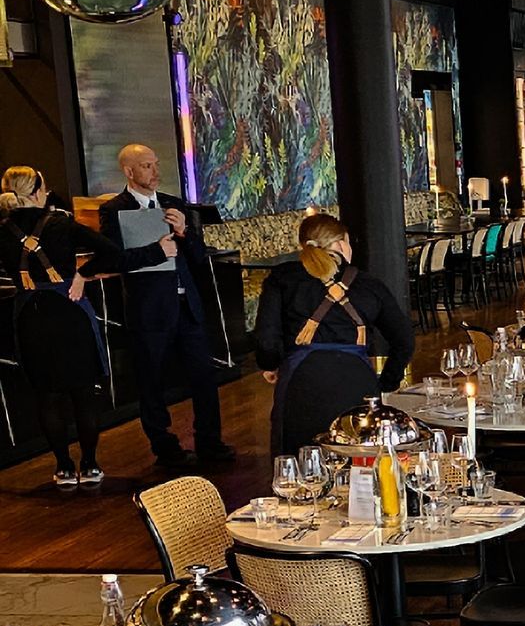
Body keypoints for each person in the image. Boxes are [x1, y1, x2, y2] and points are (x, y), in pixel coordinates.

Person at [97, 142, 232, 471]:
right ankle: (165, 447)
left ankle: (210, 442)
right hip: (150, 310)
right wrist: (157, 252)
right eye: (146, 166)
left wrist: (185, 232)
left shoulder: (174, 204)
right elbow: (115, 260)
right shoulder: (114, 210)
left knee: (204, 376)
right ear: (129, 172)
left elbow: (200, 258)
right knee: (151, 381)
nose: (155, 172)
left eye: (156, 164)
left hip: (187, 305)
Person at [254, 210, 416, 454]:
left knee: (299, 462)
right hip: (357, 382)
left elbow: (266, 338)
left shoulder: (282, 278)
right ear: (341, 244)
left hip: (301, 379)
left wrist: (272, 363)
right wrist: (385, 382)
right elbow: (404, 339)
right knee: (358, 463)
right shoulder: (368, 284)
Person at [0, 167, 110, 487]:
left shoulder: (2, 230)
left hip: (29, 317)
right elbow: (111, 250)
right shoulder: (61, 223)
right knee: (83, 394)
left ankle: (63, 467)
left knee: (46, 397)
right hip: (69, 311)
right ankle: (89, 465)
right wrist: (82, 274)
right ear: (36, 192)